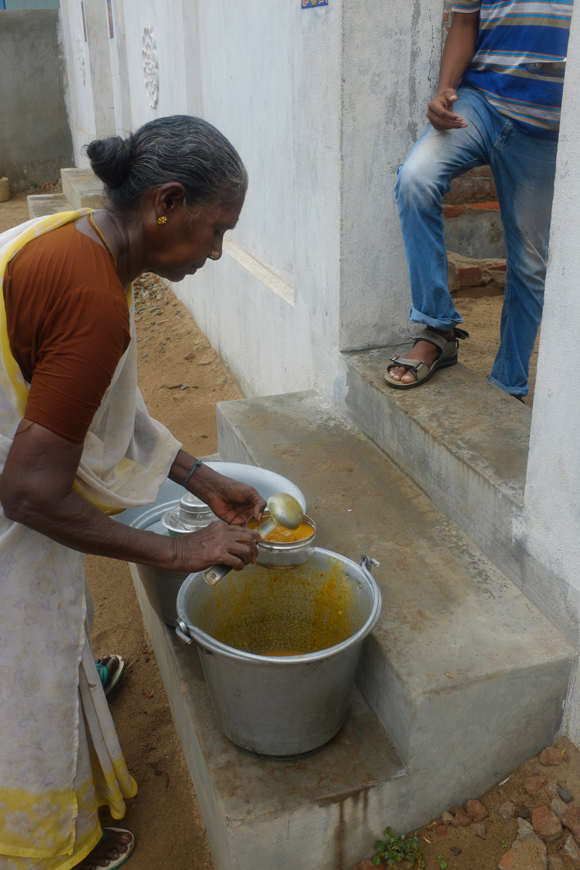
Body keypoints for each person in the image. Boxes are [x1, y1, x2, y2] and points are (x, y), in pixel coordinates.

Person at [0, 115, 267, 870]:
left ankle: (76, 687)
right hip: (11, 491)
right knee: (21, 649)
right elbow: (29, 497)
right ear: (167, 203)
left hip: (16, 461)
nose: (216, 252)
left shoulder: (82, 235)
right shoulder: (92, 303)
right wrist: (177, 549)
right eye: (216, 231)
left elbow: (99, 408)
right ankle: (46, 847)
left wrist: (201, 475)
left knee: (56, 614)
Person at [385, 0, 573, 398]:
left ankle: (508, 383)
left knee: (529, 263)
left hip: (546, 126)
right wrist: (444, 89)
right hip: (479, 103)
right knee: (416, 178)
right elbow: (465, 22)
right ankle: (438, 328)